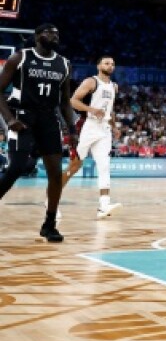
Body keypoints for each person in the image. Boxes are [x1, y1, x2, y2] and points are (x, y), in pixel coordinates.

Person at [0, 24, 76, 242]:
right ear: (37, 36)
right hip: (22, 116)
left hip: (48, 120)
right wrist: (10, 119)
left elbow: (64, 102)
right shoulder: (20, 58)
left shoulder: (64, 64)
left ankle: (49, 225)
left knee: (55, 174)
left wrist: (72, 130)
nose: (55, 36)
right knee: (16, 167)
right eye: (50, 32)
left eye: (57, 33)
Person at [61, 54, 121, 219]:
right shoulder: (91, 82)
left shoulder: (114, 87)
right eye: (107, 63)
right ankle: (52, 198)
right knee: (74, 166)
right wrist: (92, 110)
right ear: (98, 66)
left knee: (104, 166)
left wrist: (114, 126)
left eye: (112, 64)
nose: (110, 66)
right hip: (87, 127)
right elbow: (73, 101)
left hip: (104, 130)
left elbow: (110, 109)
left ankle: (104, 205)